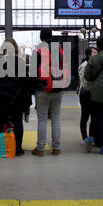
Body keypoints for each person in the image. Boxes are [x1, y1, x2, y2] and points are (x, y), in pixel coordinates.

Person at [0, 38, 33, 157]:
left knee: (0, 120)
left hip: (2, 97)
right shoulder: (19, 61)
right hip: (17, 97)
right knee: (17, 121)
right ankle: (18, 149)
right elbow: (25, 81)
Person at [32, 28, 68, 157]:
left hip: (42, 89)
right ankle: (56, 147)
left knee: (42, 120)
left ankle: (40, 148)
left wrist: (33, 88)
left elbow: (33, 73)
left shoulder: (38, 51)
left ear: (41, 37)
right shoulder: (59, 50)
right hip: (58, 87)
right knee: (56, 118)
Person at [78, 47, 98, 150]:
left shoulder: (92, 64)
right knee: (85, 116)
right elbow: (86, 79)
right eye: (94, 52)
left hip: (93, 92)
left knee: (93, 117)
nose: (96, 53)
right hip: (86, 93)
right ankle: (84, 137)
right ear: (89, 55)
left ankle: (91, 137)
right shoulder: (85, 65)